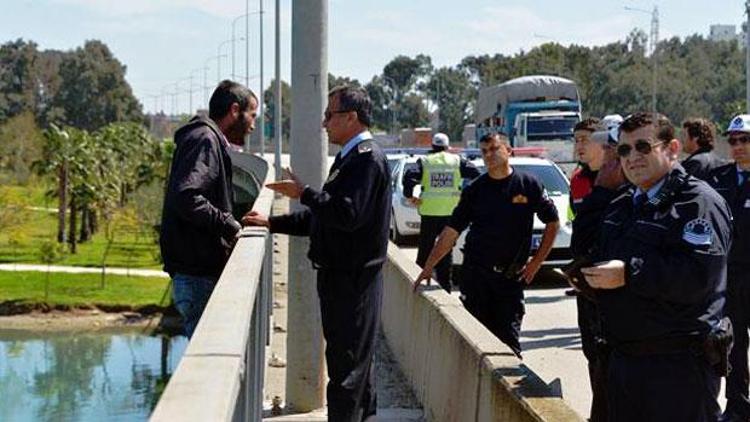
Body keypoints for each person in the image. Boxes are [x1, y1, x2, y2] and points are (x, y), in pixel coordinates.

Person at [243, 85, 390, 422]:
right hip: (343, 277)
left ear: (351, 117)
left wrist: (304, 192)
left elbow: (346, 215)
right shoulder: (351, 157)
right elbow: (324, 219)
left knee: (346, 371)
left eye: (329, 115)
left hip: (352, 281)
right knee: (355, 370)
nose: (324, 124)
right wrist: (272, 222)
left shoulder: (366, 159)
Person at [582, 112, 733, 422]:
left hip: (676, 370)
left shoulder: (697, 202)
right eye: (624, 150)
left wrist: (629, 274)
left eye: (643, 147)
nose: (632, 157)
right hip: (622, 363)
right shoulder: (622, 203)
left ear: (672, 148)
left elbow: (698, 277)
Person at [412, 132, 559, 357]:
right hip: (477, 277)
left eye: (494, 148)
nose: (489, 155)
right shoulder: (475, 190)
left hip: (510, 279)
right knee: (475, 344)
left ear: (508, 151)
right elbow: (451, 231)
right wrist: (429, 266)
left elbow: (552, 222)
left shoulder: (528, 184)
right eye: (484, 151)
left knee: (509, 344)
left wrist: (536, 262)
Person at [159, 80, 258, 338]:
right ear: (235, 111)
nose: (253, 125)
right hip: (197, 277)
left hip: (196, 275)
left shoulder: (204, 138)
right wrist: (228, 223)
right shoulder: (205, 140)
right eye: (252, 115)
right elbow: (187, 196)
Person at [568, 116, 625, 422]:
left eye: (586, 140)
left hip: (619, 298)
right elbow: (579, 233)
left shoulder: (628, 188)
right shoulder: (578, 179)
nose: (581, 145)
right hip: (589, 294)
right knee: (595, 358)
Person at [709, 114, 750, 422]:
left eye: (744, 140)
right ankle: (737, 405)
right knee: (733, 345)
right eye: (733, 140)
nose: (737, 146)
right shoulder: (719, 178)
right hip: (730, 274)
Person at [402, 132, 480, 292]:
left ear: (432, 146)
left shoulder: (425, 161)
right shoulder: (457, 161)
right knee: (445, 251)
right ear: (447, 146)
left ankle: (418, 284)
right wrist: (468, 197)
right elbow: (477, 175)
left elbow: (409, 176)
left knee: (425, 249)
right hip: (451, 214)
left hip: (429, 213)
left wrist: (410, 196)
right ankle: (445, 287)